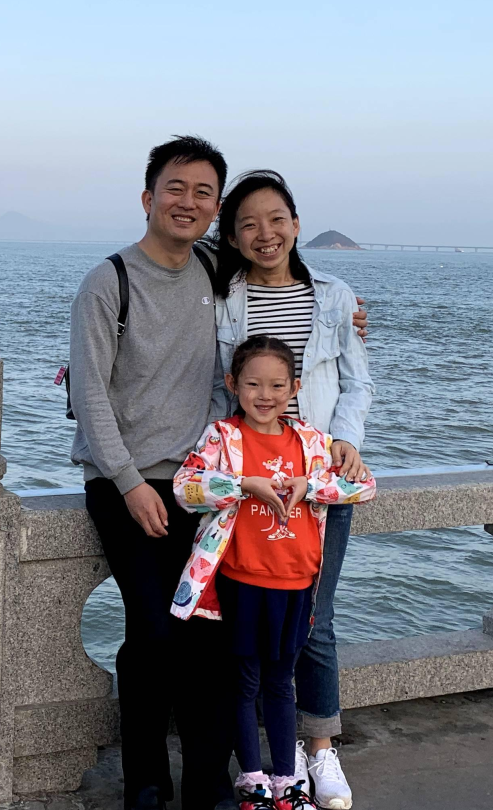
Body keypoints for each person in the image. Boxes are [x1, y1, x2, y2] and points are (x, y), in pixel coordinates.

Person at [68, 139, 369, 810]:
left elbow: (285, 288)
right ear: (148, 197)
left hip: (211, 487)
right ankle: (147, 781)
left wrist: (346, 318)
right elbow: (88, 395)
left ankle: (210, 782)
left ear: (214, 213)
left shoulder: (214, 273)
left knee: (212, 638)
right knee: (153, 631)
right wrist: (128, 482)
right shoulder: (108, 282)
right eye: (176, 189)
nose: (189, 203)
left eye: (204, 193)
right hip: (132, 483)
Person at [203, 171, 373, 809]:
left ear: (297, 225)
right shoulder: (223, 298)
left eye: (276, 219)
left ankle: (319, 747)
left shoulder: (335, 297)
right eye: (247, 224)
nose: (265, 233)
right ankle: (271, 754)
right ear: (232, 237)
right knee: (247, 626)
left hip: (316, 483)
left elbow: (357, 380)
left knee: (314, 620)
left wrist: (346, 439)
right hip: (246, 487)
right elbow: (215, 381)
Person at [170, 336, 376, 810]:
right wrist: (243, 484)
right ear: (232, 384)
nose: (265, 395)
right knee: (244, 683)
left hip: (297, 583)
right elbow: (185, 488)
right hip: (241, 582)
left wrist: (310, 485)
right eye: (253, 384)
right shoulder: (222, 437)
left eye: (278, 385)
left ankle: (288, 781)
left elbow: (364, 486)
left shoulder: (312, 441)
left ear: (295, 388)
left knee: (282, 682)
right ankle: (253, 781)